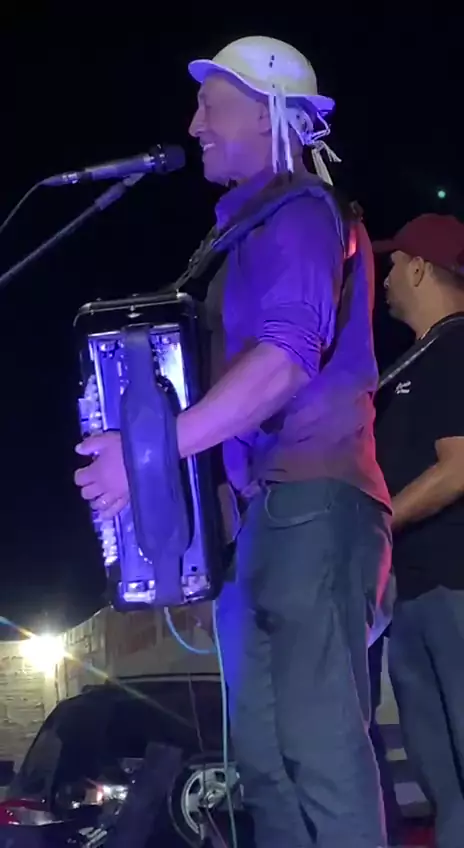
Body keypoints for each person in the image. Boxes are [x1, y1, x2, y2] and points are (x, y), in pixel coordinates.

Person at [74, 36, 392, 848]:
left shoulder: (303, 212)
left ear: (267, 114)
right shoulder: (249, 227)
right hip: (261, 518)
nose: (194, 125)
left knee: (319, 748)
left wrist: (148, 456)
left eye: (209, 105)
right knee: (263, 763)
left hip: (314, 500)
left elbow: (285, 361)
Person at [374, 214, 464, 848]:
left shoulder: (457, 349)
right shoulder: (417, 359)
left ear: (420, 268)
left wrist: (376, 526)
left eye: (392, 264)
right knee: (442, 781)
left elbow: (459, 466)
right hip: (411, 593)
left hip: (455, 588)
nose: (383, 278)